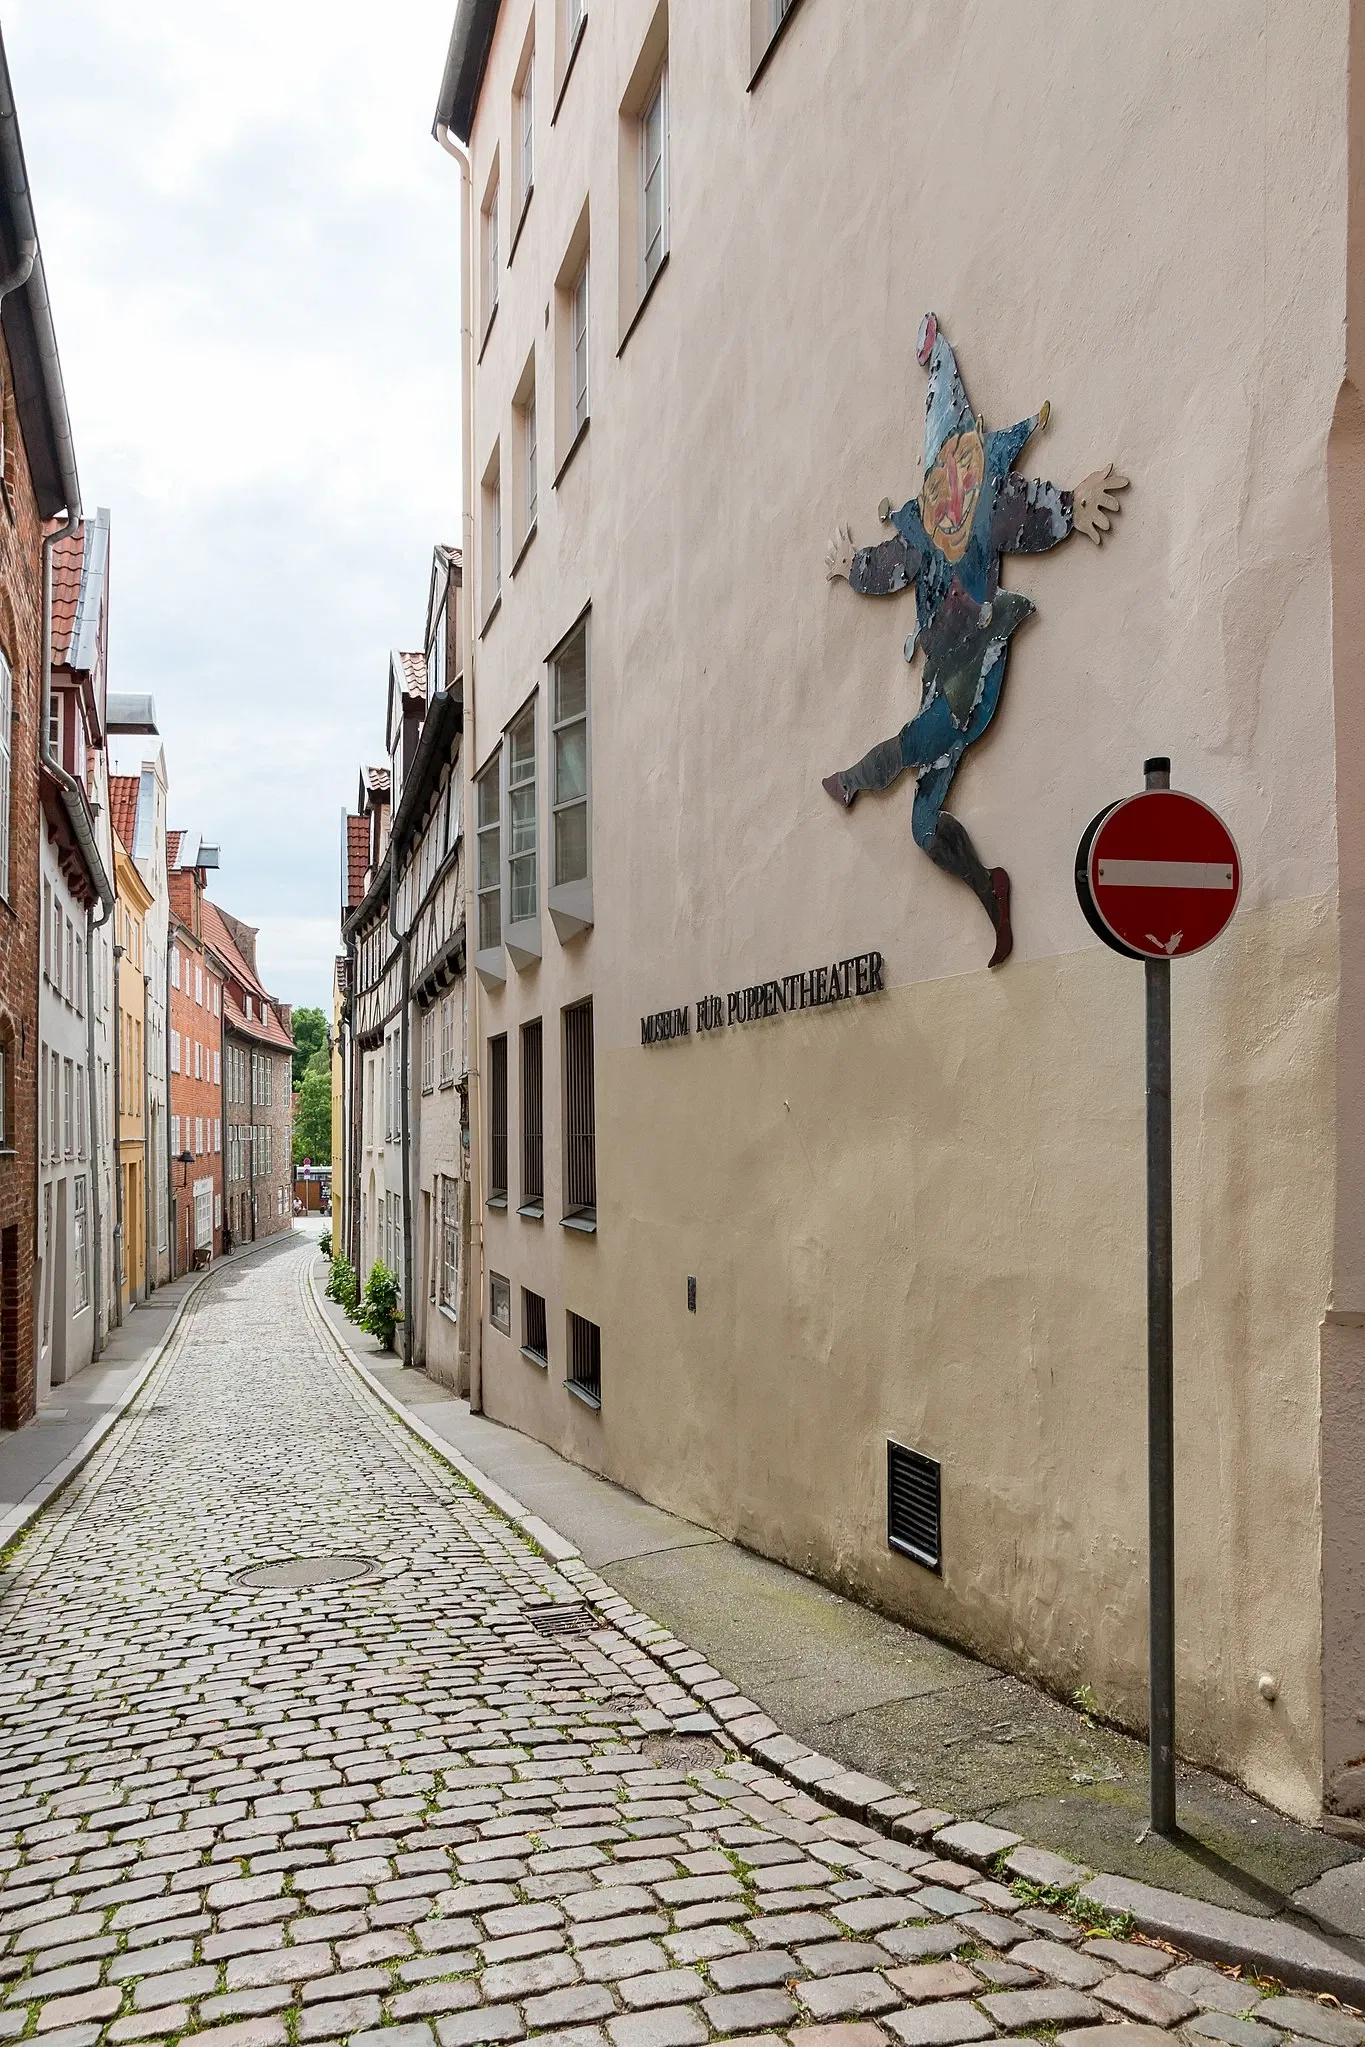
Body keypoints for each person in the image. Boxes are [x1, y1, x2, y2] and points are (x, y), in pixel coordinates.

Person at [824, 312, 1127, 966]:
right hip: (940, 678)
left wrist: (1073, 505)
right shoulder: (924, 534)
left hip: (973, 679)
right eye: (939, 482)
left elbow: (1028, 515)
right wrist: (850, 567)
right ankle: (993, 896)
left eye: (958, 475)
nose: (949, 492)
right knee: (922, 827)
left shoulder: (990, 507)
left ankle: (858, 776)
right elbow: (887, 566)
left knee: (921, 737)